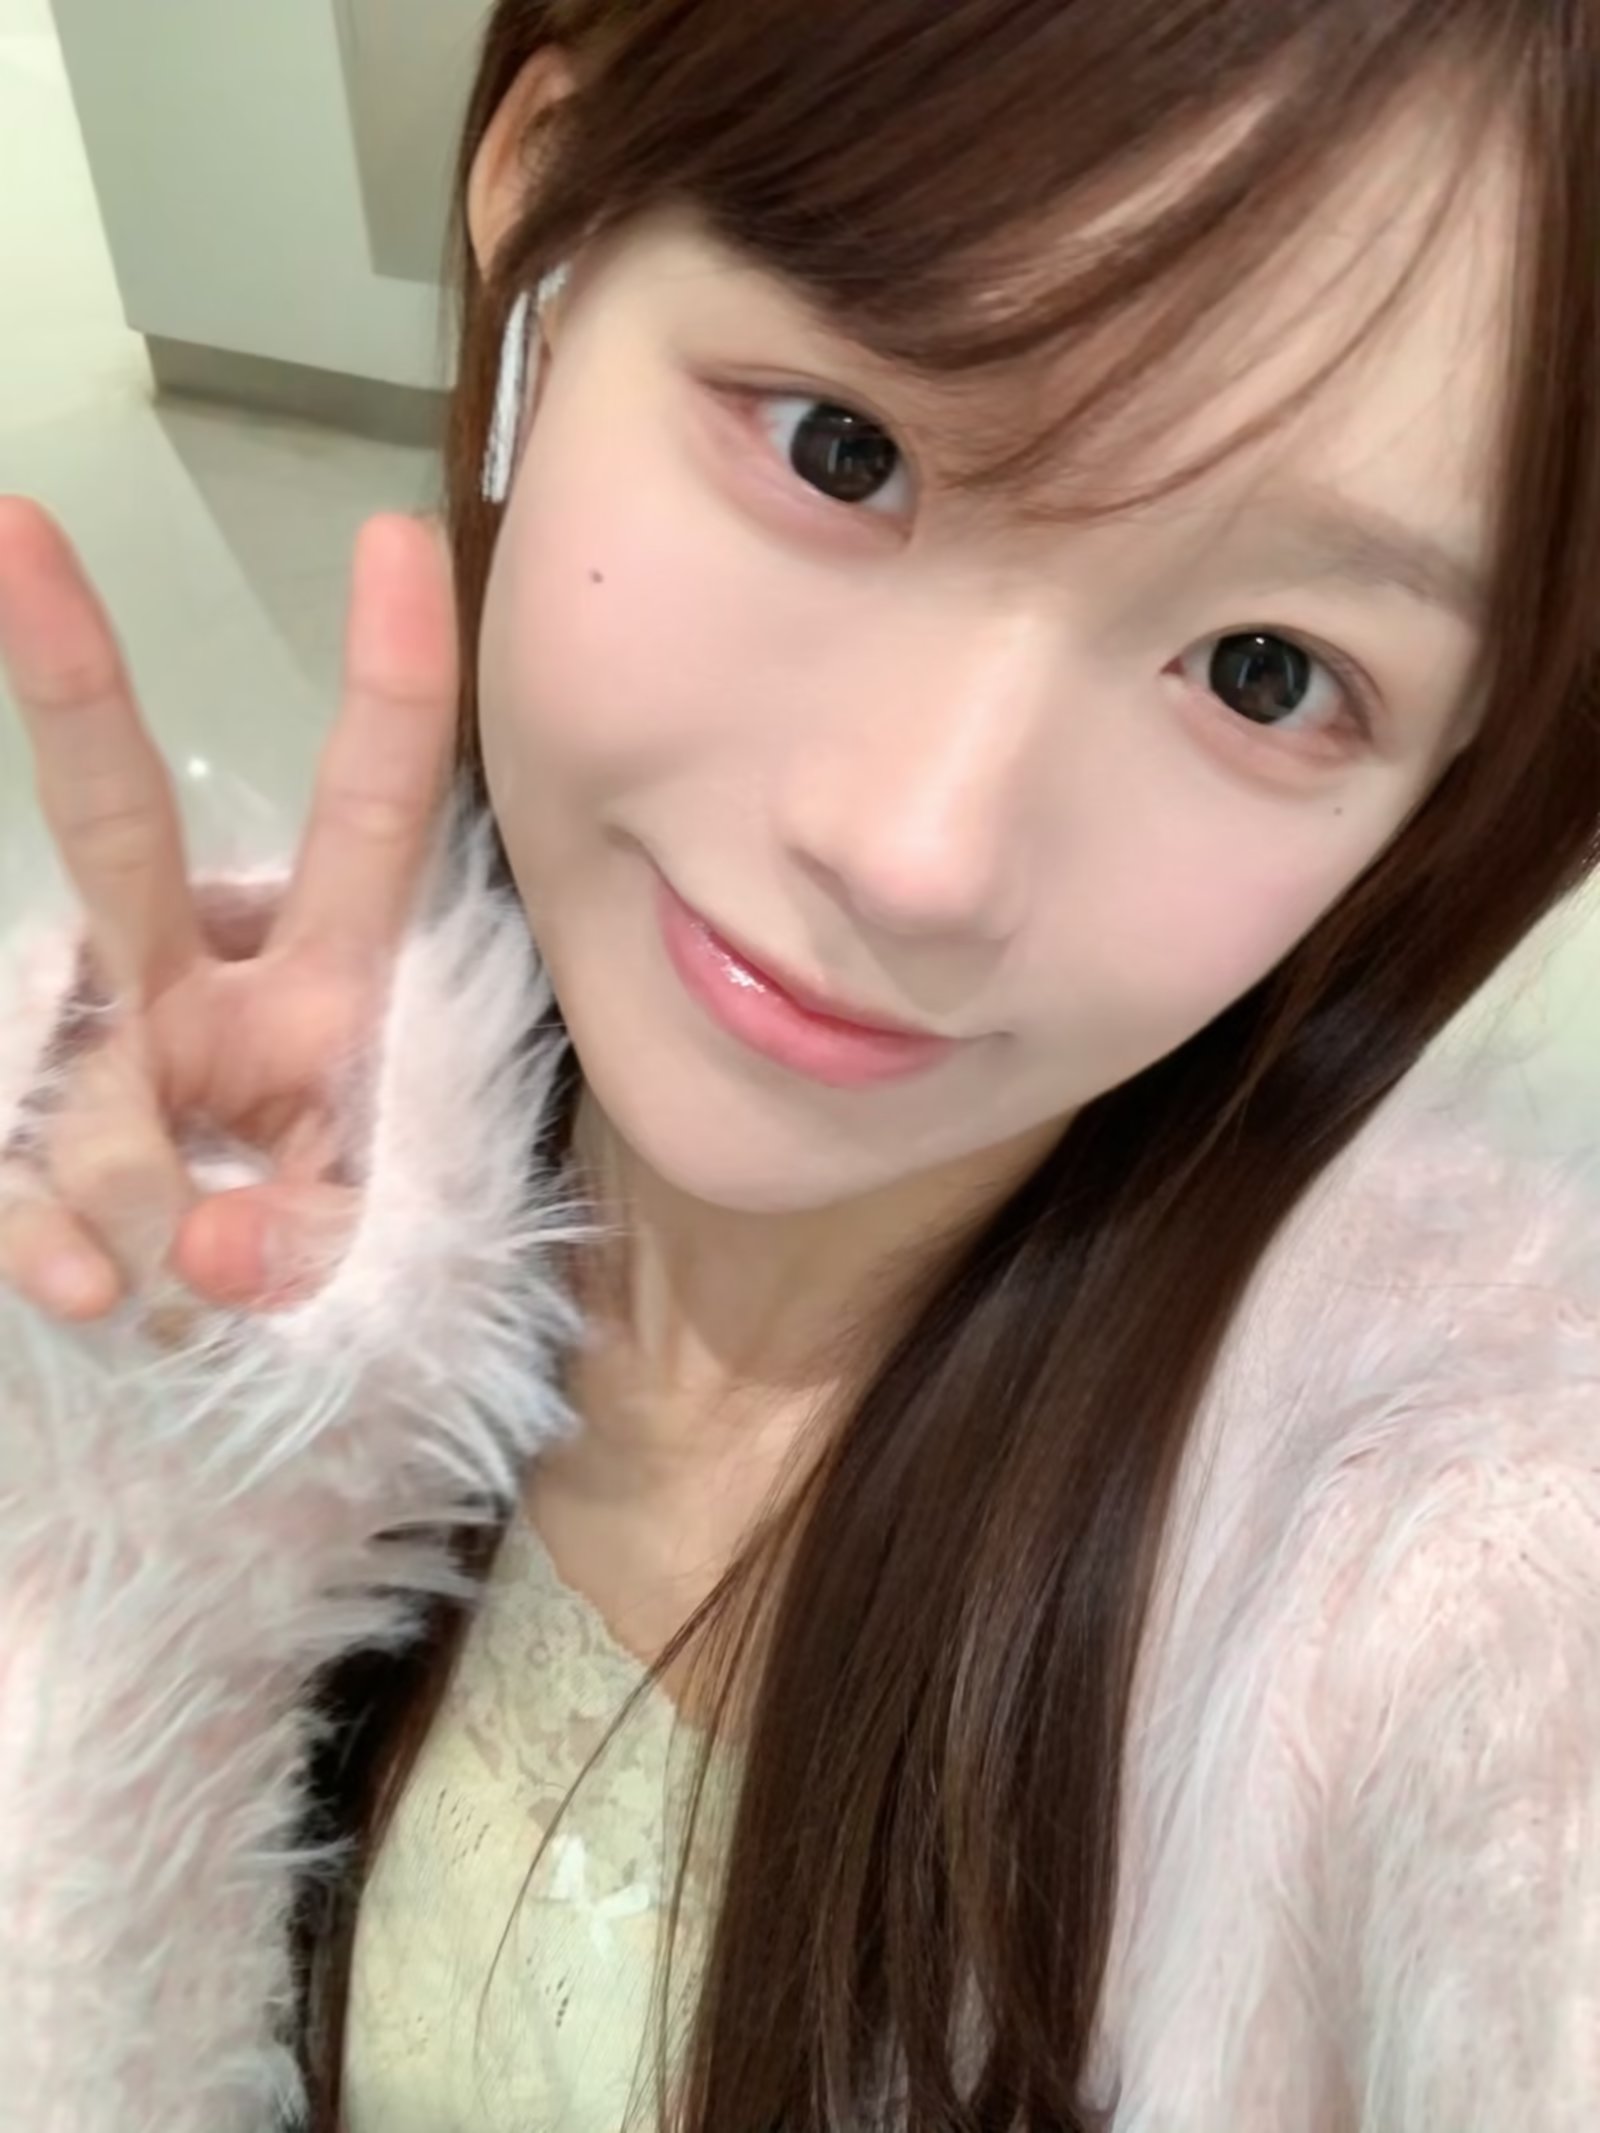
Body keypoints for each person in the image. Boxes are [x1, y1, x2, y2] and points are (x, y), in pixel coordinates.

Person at [1, 1, 1597, 2127]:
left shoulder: (1457, 1578)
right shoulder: (176, 1181)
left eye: (1262, 668)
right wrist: (139, 1489)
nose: (922, 852)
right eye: (845, 447)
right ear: (542, 210)